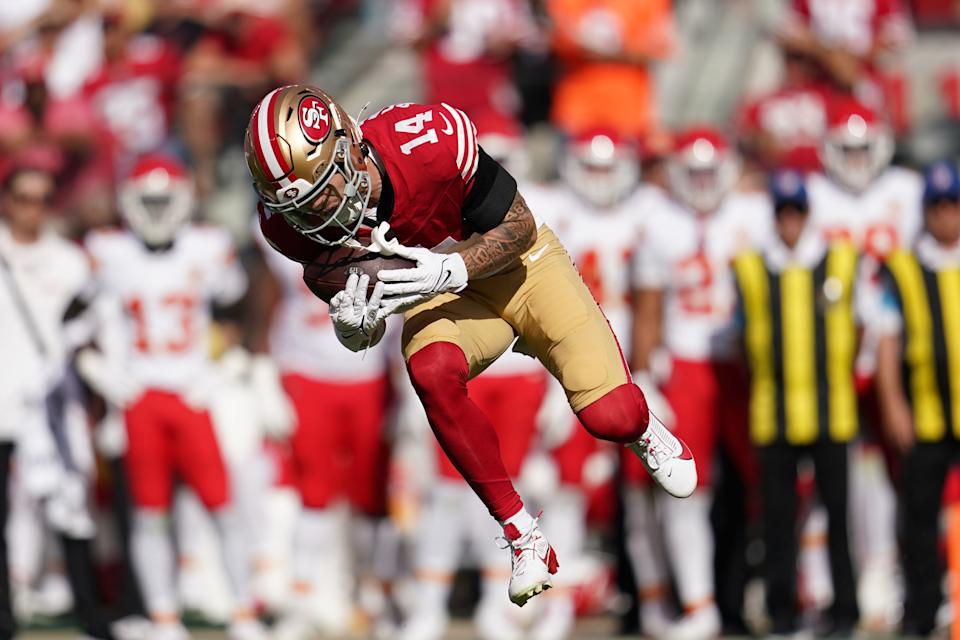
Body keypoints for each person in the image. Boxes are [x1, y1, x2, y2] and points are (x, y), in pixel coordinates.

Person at [247, 84, 696, 607]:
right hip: (444, 295)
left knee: (610, 417)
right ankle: (521, 533)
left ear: (348, 144)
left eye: (322, 190)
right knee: (431, 368)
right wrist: (354, 328)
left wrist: (451, 266)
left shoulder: (425, 145)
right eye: (298, 205)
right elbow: (361, 311)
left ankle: (644, 429)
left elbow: (519, 227)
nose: (314, 214)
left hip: (520, 270)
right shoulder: (290, 226)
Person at [80, 154, 264, 640]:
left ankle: (243, 612)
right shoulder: (108, 251)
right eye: (149, 202)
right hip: (141, 396)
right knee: (150, 515)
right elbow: (76, 322)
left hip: (192, 392)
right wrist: (95, 367)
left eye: (165, 201)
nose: (157, 212)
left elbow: (241, 307)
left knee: (222, 506)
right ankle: (163, 617)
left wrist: (228, 362)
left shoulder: (208, 246)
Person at [631, 127, 772, 639]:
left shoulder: (754, 213)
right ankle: (699, 602)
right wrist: (644, 375)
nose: (704, 182)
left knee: (773, 478)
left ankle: (783, 588)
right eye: (693, 173)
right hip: (687, 362)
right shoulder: (659, 222)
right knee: (685, 487)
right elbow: (648, 309)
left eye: (712, 172)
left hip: (747, 361)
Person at [250, 222, 395, 639]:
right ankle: (302, 599)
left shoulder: (388, 221)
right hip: (306, 370)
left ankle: (374, 599)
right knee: (313, 492)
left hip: (371, 374)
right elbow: (266, 300)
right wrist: (262, 366)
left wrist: (409, 381)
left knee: (372, 495)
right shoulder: (284, 227)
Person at [732, 169, 861, 636]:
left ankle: (845, 611)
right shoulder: (750, 268)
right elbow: (742, 338)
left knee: (839, 518)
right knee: (778, 521)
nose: (790, 221)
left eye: (797, 212)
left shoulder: (841, 260)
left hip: (833, 411)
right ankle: (782, 612)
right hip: (774, 412)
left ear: (807, 215)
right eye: (783, 212)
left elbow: (860, 327)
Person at [0, 164, 115, 640]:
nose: (33, 210)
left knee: (72, 506)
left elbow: (94, 323)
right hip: (4, 402)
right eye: (24, 198)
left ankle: (90, 611)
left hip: (55, 402)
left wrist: (95, 378)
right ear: (7, 201)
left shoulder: (70, 261)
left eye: (43, 200)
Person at [875, 160, 960, 636]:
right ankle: (923, 610)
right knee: (919, 519)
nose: (946, 214)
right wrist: (893, 404)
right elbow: (887, 343)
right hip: (926, 410)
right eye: (937, 205)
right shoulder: (904, 268)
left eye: (953, 203)